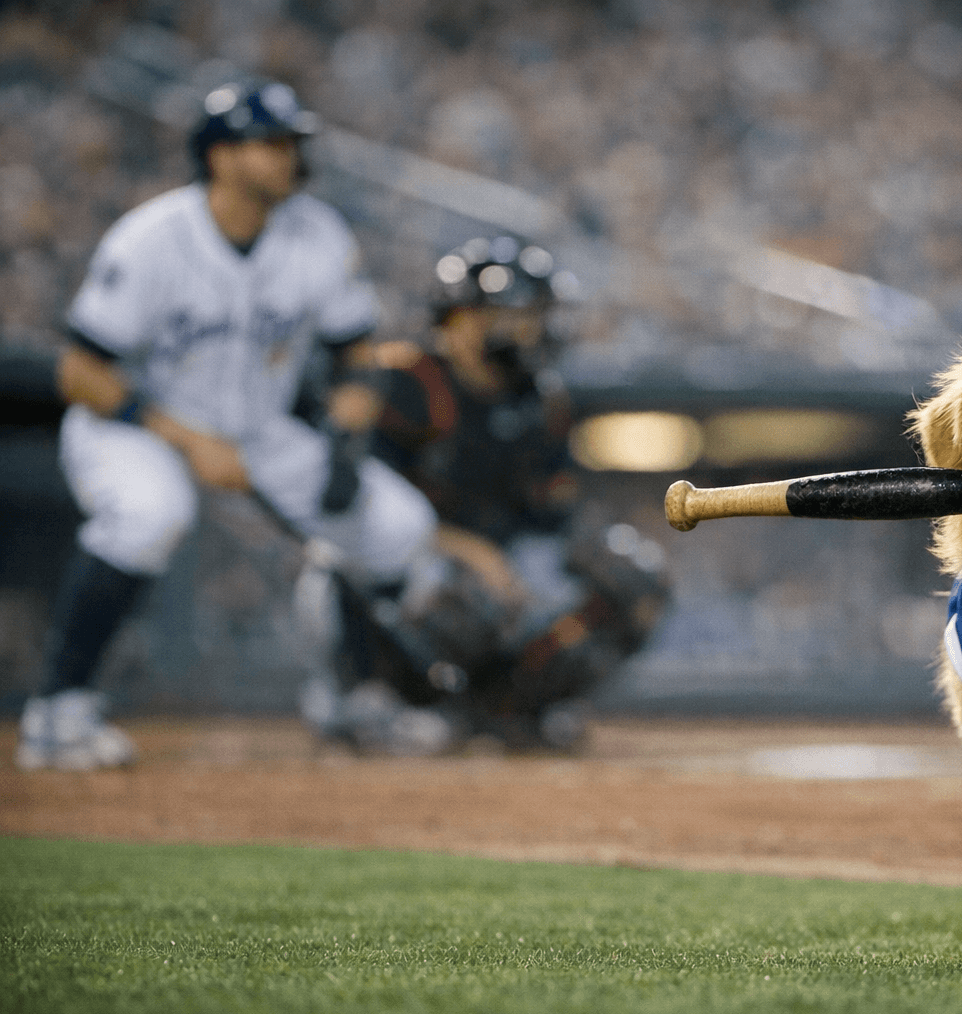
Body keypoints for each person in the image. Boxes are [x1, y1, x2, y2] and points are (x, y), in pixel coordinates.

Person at [16, 80, 439, 770]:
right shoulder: (152, 237)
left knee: (396, 527)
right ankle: (58, 712)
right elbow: (79, 372)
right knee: (150, 515)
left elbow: (357, 355)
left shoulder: (318, 233)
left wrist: (344, 436)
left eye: (291, 143)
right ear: (219, 156)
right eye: (270, 143)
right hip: (138, 428)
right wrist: (187, 440)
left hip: (257, 431)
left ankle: (355, 698)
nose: (288, 157)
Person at [295, 236, 670, 752]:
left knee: (630, 579)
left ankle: (506, 711)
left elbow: (551, 518)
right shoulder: (404, 381)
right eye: (517, 316)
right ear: (462, 320)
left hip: (498, 567)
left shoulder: (540, 400)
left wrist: (560, 565)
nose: (533, 330)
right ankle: (373, 700)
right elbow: (358, 510)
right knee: (460, 596)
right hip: (393, 574)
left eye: (536, 317)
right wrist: (472, 553)